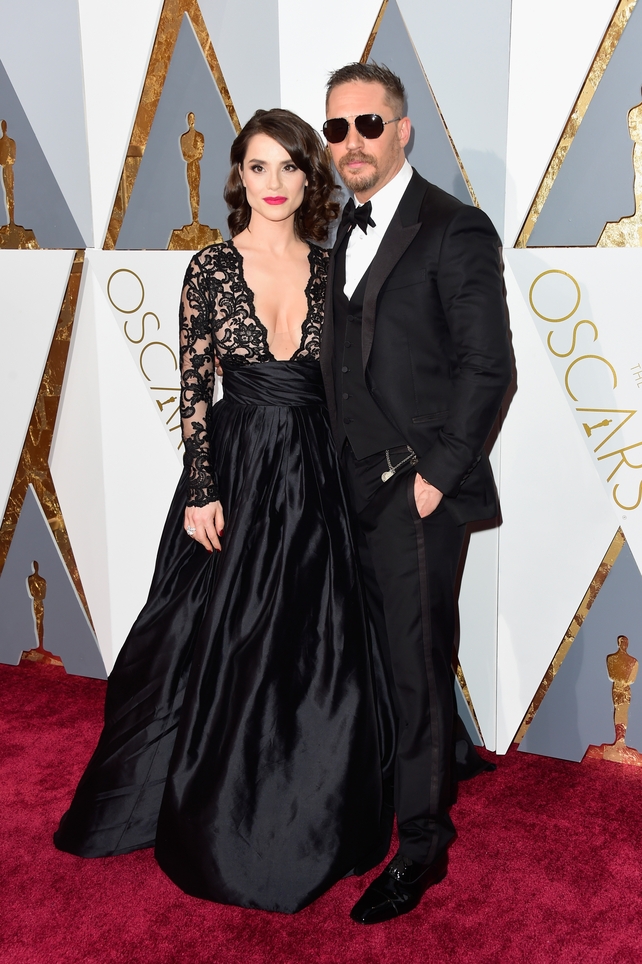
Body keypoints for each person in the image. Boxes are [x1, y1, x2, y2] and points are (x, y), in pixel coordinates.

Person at [54, 108, 388, 914]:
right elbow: (195, 390)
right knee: (207, 633)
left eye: (289, 167)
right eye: (257, 166)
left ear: (309, 178)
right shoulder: (209, 268)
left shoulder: (335, 265)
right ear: (238, 175)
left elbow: (353, 383)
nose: (273, 183)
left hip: (315, 470)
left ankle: (313, 802)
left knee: (317, 639)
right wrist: (202, 488)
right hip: (236, 468)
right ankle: (208, 798)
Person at [320, 63, 513, 924]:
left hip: (416, 489)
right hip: (348, 483)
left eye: (368, 123)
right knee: (389, 651)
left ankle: (424, 846)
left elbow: (488, 369)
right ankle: (449, 754)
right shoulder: (340, 226)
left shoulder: (454, 227)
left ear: (403, 130)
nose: (351, 143)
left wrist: (437, 476)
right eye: (337, 128)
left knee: (412, 664)